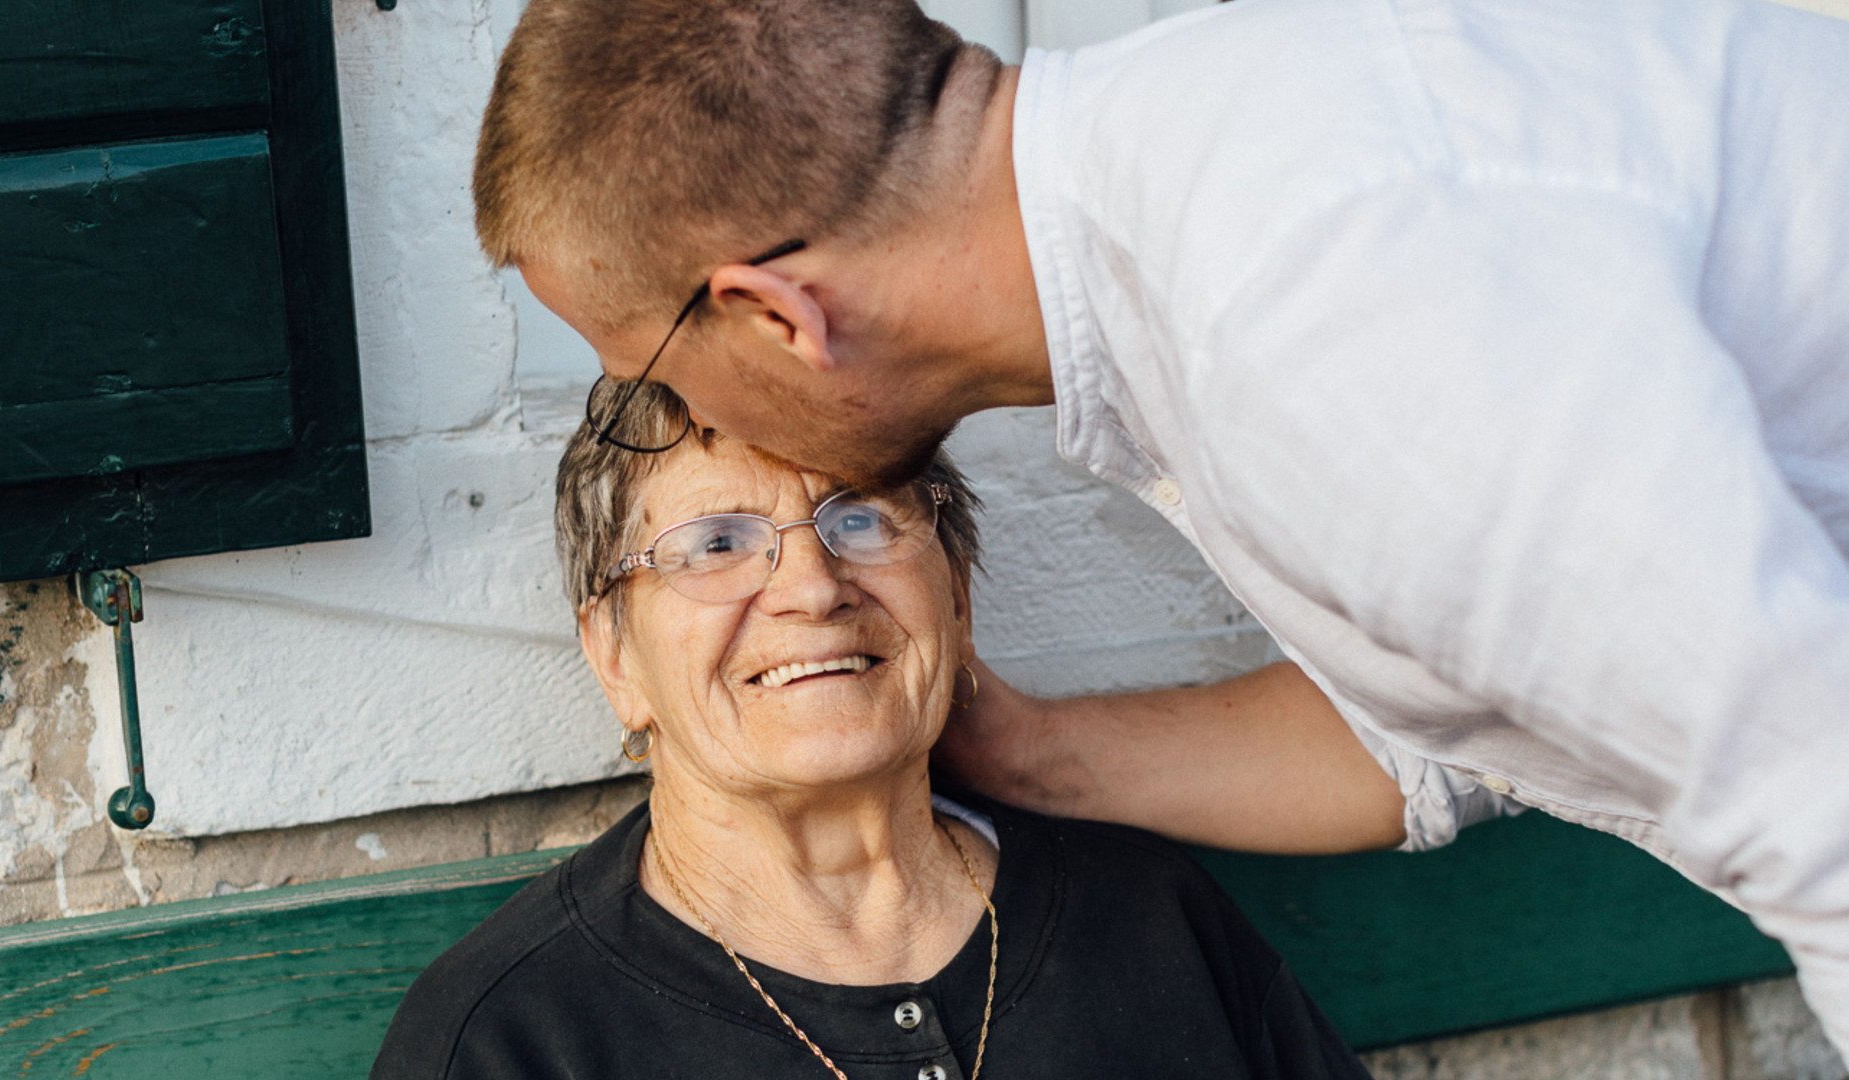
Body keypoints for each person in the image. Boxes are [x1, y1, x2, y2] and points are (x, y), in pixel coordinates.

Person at [471, 0, 1849, 1054]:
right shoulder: (1200, 189)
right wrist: (1024, 751)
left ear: (777, 315)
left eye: (649, 356)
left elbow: (1825, 807)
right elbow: (1469, 719)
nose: (658, 398)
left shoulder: (1308, 312)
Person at [369, 383, 1373, 1080]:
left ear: (958, 596)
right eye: (717, 543)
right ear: (616, 656)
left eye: (864, 519)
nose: (811, 587)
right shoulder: (509, 1041)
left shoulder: (1153, 919)